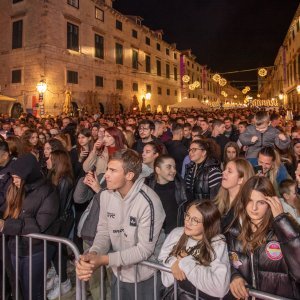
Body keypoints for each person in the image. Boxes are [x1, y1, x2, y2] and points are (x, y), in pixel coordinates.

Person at [76, 149, 166, 300]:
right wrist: (94, 253)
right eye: (107, 170)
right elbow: (104, 232)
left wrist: (104, 260)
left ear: (129, 175)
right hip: (119, 273)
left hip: (146, 276)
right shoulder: (105, 196)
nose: (106, 175)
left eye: (113, 170)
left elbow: (144, 250)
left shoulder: (149, 202)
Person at [225, 176, 300, 299]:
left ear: (271, 202)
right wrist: (234, 276)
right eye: (249, 200)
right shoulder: (233, 230)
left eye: (261, 202)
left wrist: (281, 221)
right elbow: (225, 260)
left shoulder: (284, 230)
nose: (254, 208)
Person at [0, 153, 59, 300]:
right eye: (12, 178)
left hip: (35, 251)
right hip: (15, 248)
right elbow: (7, 212)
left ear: (29, 175)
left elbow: (38, 227)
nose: (14, 182)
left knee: (33, 292)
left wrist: (5, 225)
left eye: (17, 178)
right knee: (19, 289)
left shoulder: (48, 191)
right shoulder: (15, 189)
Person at [158, 201, 230, 299]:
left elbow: (220, 288)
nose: (188, 222)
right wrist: (173, 263)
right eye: (187, 216)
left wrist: (185, 262)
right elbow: (162, 264)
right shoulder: (177, 233)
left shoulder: (217, 243)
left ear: (208, 223)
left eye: (195, 220)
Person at [46, 150, 74, 299]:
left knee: (58, 252)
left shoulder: (64, 181)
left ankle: (64, 282)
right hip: (57, 221)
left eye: (50, 159)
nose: (46, 160)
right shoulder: (55, 177)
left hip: (61, 222)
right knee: (55, 252)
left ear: (57, 162)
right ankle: (59, 277)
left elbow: (61, 206)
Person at [145, 155, 190, 235]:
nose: (173, 170)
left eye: (174, 167)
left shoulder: (181, 187)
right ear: (158, 170)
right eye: (168, 167)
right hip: (153, 233)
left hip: (174, 234)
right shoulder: (147, 186)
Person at [214, 158, 254, 231]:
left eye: (229, 171)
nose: (223, 172)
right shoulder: (218, 199)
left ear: (240, 179)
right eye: (225, 169)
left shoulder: (247, 207)